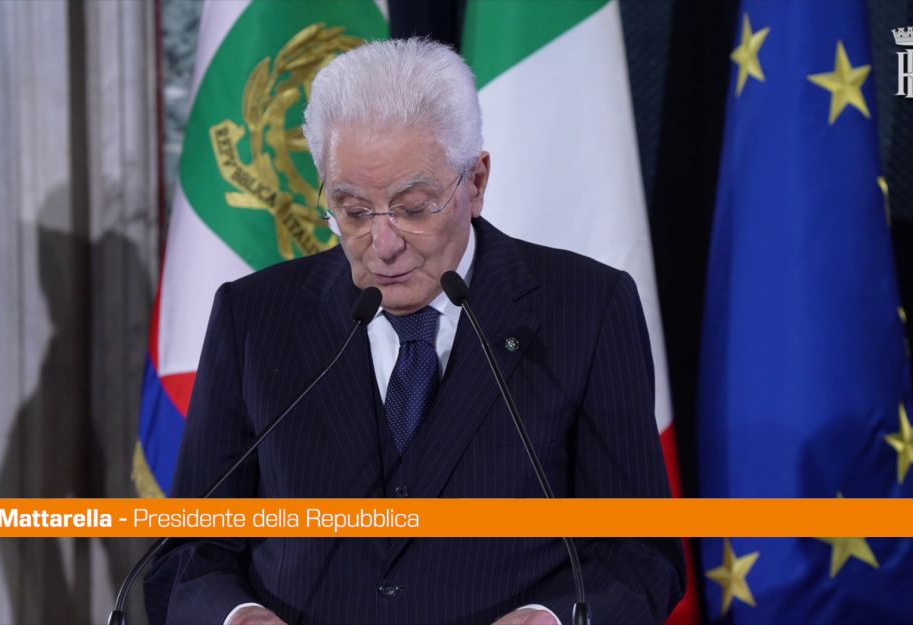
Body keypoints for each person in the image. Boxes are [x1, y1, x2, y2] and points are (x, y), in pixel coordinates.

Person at [144, 38, 684, 625]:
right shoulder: (253, 316)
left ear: (475, 183)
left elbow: (639, 551)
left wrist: (550, 618)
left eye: (414, 207)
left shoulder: (587, 307)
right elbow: (188, 553)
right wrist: (236, 615)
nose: (383, 244)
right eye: (354, 211)